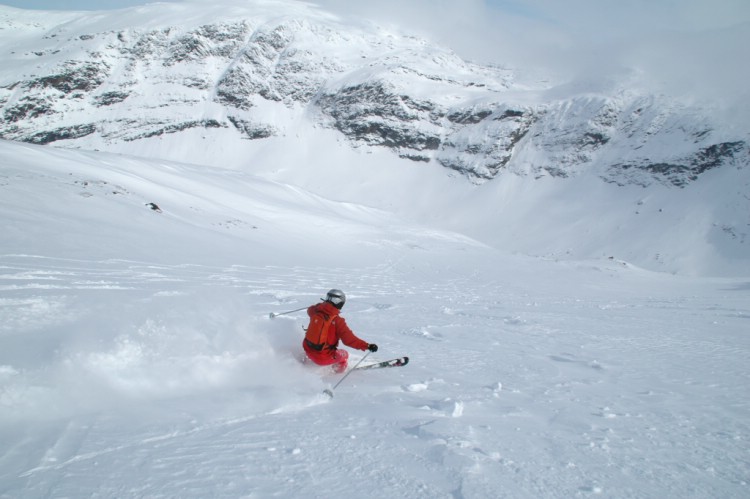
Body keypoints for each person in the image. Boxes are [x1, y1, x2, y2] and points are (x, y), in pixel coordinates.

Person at [302, 289, 378, 373]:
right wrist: (367, 346)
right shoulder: (338, 321)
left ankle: (304, 364)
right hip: (322, 358)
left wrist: (322, 305)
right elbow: (350, 340)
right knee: (345, 354)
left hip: (307, 350)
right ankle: (338, 374)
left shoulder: (315, 311)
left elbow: (310, 309)